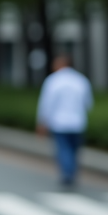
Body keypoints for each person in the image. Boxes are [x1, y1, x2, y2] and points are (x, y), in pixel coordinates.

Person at [36, 54, 93, 187]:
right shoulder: (81, 80)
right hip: (78, 122)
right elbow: (88, 103)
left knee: (64, 149)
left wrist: (42, 122)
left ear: (60, 64)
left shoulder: (53, 81)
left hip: (59, 122)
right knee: (74, 149)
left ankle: (67, 174)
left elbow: (46, 103)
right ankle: (72, 172)